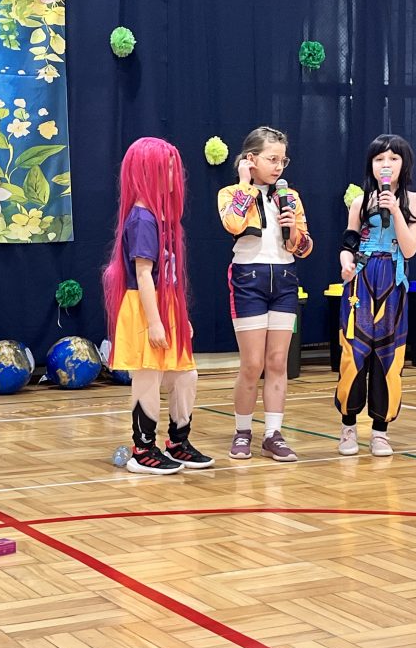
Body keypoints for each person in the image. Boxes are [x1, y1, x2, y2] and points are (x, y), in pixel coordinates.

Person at [103, 137, 213, 474]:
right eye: (167, 169)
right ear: (146, 172)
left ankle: (178, 442)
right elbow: (143, 273)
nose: (175, 175)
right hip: (144, 307)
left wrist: (178, 315)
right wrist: (154, 321)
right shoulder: (143, 219)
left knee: (186, 374)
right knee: (148, 375)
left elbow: (169, 277)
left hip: (166, 306)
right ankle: (143, 449)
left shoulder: (161, 217)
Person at [217, 126, 313, 462]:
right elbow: (232, 224)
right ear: (251, 159)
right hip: (248, 278)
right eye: (272, 159)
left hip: (284, 278)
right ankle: (242, 431)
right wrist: (246, 186)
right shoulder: (231, 193)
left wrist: (294, 230)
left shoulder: (290, 197)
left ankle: (273, 434)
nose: (278, 167)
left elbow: (305, 247)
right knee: (252, 363)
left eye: (282, 160)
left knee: (277, 361)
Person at [336, 134, 416, 457]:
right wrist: (346, 264)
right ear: (371, 165)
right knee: (354, 352)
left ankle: (380, 432)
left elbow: (410, 249)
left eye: (393, 158)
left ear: (404, 164)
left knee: (389, 355)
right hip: (361, 281)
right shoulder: (360, 202)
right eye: (379, 159)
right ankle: (348, 427)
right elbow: (348, 243)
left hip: (393, 281)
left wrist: (396, 211)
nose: (385, 165)